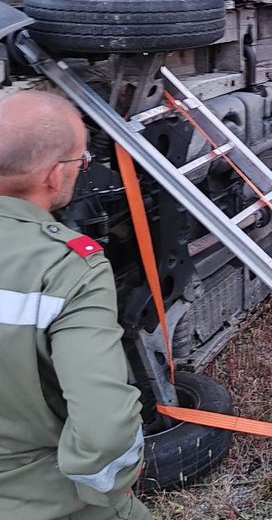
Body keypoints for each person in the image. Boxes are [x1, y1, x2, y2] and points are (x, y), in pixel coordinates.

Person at [0, 91, 152, 520]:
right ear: (52, 176)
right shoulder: (67, 267)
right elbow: (104, 432)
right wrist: (110, 488)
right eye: (80, 164)